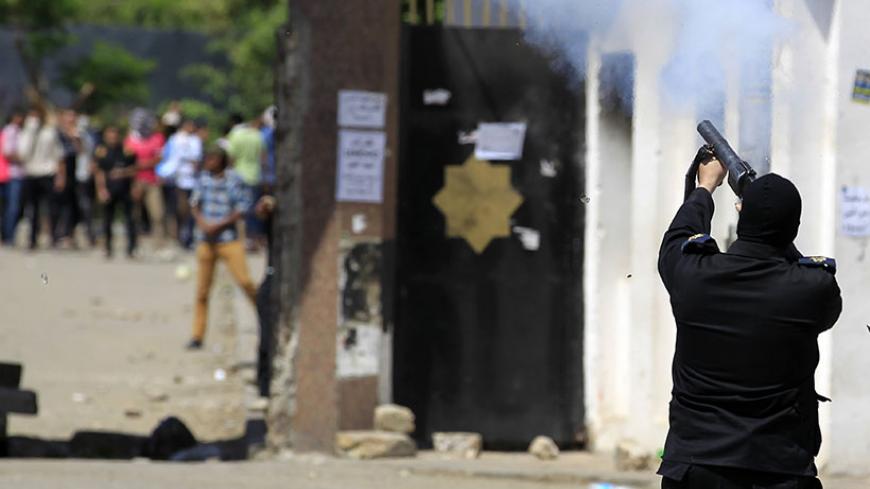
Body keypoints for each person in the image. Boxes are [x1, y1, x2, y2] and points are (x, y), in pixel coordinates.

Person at [657, 150, 842, 489]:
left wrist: (704, 188)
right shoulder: (812, 288)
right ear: (794, 228)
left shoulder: (693, 274)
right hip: (779, 469)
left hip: (697, 466)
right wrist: (778, 233)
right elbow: (824, 302)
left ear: (740, 213)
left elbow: (677, 238)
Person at [187, 147, 256, 350]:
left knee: (245, 282)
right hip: (206, 240)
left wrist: (220, 224)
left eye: (213, 158)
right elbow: (194, 203)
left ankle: (265, 319)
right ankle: (197, 335)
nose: (209, 162)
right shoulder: (203, 179)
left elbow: (243, 206)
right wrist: (202, 222)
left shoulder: (235, 180)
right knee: (202, 291)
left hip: (228, 239)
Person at [17, 108, 63, 250]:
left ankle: (53, 236)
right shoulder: (25, 133)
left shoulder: (50, 133)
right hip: (31, 173)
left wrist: (60, 176)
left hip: (48, 173)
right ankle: (32, 239)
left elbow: (58, 155)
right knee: (32, 208)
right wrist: (31, 133)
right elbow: (22, 154)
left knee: (52, 207)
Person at [125, 109, 166, 250]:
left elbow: (159, 158)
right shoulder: (130, 139)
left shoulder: (158, 138)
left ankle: (159, 243)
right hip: (135, 181)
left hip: (153, 180)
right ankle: (135, 243)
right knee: (134, 214)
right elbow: (128, 160)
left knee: (157, 214)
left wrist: (144, 164)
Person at [158, 119, 202, 250]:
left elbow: (196, 158)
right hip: (176, 180)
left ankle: (188, 237)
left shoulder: (195, 140)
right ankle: (176, 236)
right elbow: (168, 158)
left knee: (191, 209)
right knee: (177, 209)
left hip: (192, 181)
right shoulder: (174, 139)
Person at [94, 126, 137, 259]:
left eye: (115, 134)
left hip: (125, 190)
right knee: (107, 220)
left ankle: (131, 249)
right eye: (110, 134)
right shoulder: (101, 151)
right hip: (109, 190)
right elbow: (98, 172)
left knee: (130, 220)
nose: (113, 137)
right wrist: (101, 190)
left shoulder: (127, 151)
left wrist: (123, 173)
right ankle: (107, 248)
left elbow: (135, 169)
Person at [226, 115, 265, 251]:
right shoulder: (257, 135)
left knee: (241, 209)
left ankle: (242, 240)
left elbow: (231, 157)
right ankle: (254, 239)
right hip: (255, 175)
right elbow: (263, 157)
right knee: (254, 209)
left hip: (239, 176)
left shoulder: (234, 135)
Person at [0, 110, 25, 245]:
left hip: (10, 174)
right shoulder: (11, 131)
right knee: (12, 207)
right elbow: (8, 152)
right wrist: (24, 158)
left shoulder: (13, 131)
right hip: (11, 173)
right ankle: (8, 236)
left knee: (9, 207)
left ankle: (7, 234)